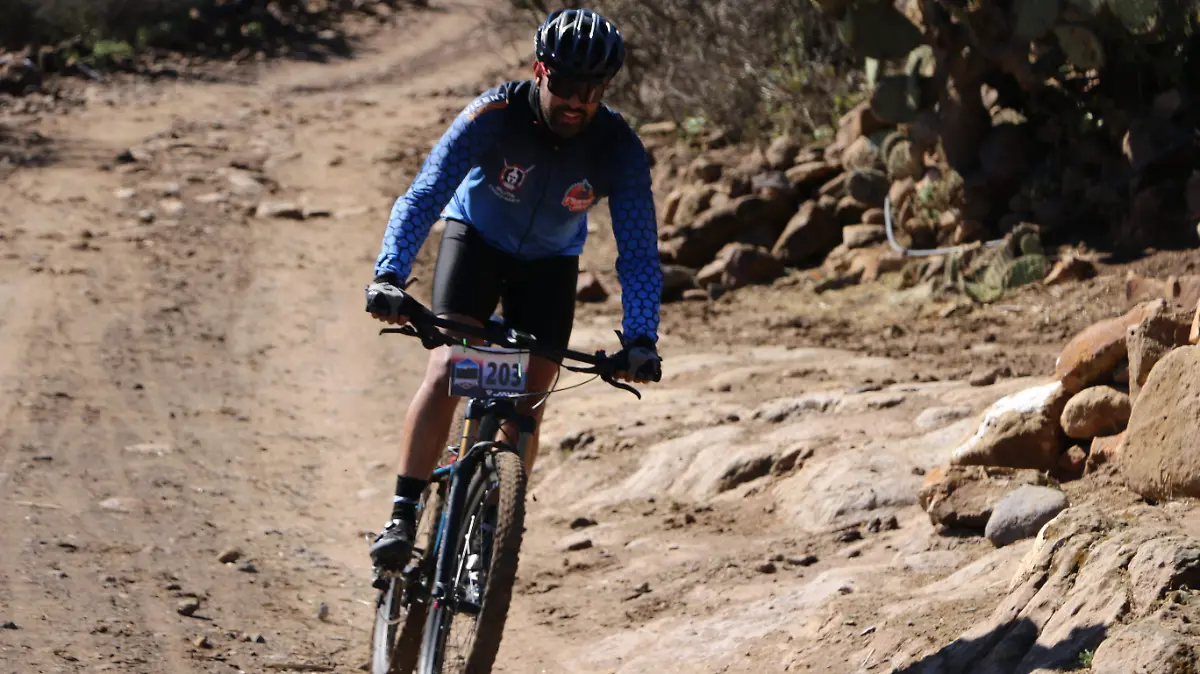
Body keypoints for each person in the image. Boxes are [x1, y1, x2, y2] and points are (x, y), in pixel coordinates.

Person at [363, 7, 664, 571]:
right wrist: (388, 275)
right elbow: (425, 194)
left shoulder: (617, 145)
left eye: (593, 89)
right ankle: (403, 514)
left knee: (534, 384)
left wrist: (642, 337)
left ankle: (490, 522)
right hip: (475, 240)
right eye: (568, 85)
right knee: (453, 364)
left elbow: (640, 252)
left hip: (548, 265)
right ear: (540, 71)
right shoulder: (494, 114)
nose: (578, 101)